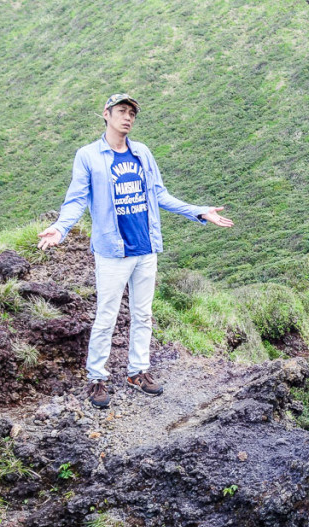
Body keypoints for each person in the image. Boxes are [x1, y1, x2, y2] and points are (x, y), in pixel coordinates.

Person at [37, 93, 233, 409]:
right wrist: (60, 228)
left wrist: (198, 211)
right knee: (107, 315)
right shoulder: (88, 156)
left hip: (145, 247)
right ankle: (96, 378)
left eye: (132, 113)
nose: (127, 117)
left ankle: (137, 372)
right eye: (121, 111)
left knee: (143, 314)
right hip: (113, 251)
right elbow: (76, 199)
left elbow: (159, 194)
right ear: (106, 114)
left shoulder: (141, 153)